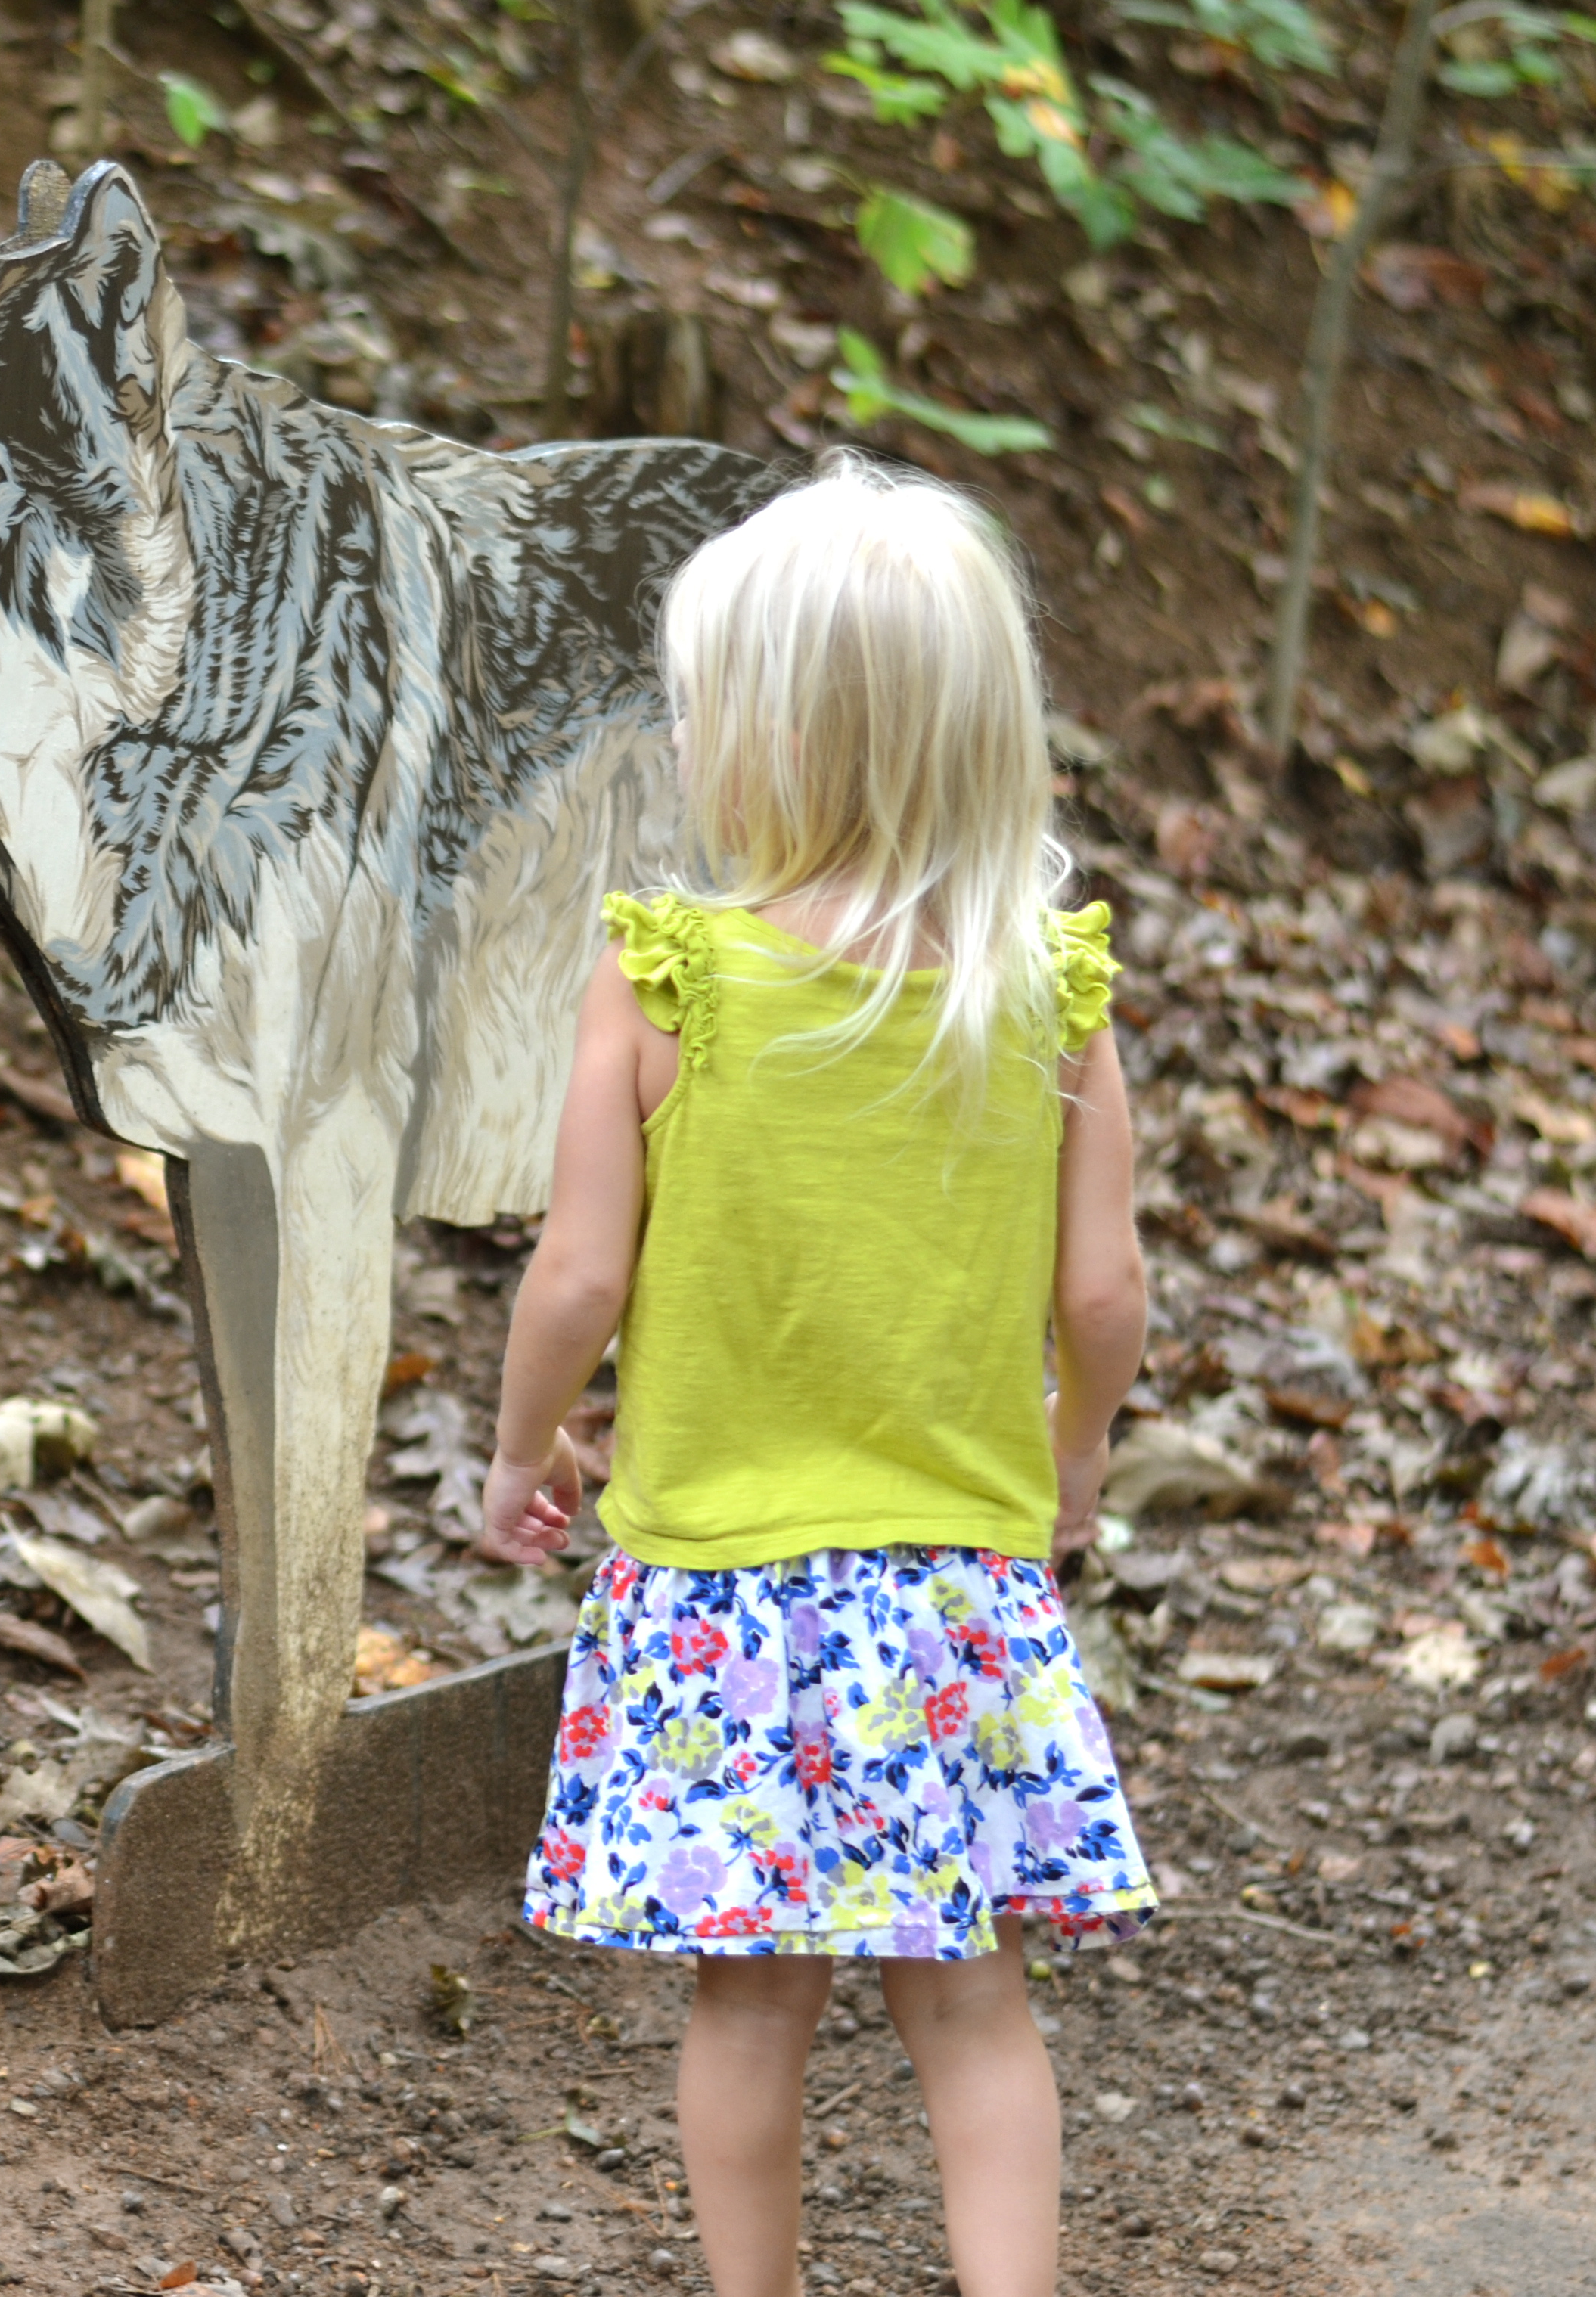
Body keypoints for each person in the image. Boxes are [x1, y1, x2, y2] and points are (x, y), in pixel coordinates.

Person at [474, 450, 1154, 2297]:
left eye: (703, 709)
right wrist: (1076, 1455)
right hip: (955, 1588)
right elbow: (1104, 1294)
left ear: (774, 742)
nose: (690, 741)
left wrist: (522, 1452)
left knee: (751, 2005)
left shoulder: (672, 976)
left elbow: (578, 1274)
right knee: (976, 2006)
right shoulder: (1045, 993)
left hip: (722, 1598)